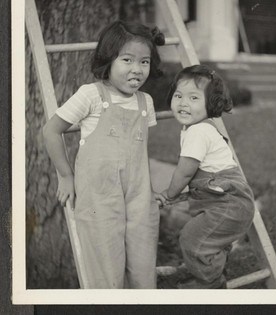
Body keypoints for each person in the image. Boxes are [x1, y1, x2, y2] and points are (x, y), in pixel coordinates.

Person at [43, 20, 165, 289]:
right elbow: (51, 130)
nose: (137, 69)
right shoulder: (91, 95)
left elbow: (140, 151)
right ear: (108, 59)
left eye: (144, 62)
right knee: (106, 271)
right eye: (127, 60)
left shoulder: (146, 102)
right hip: (99, 196)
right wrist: (65, 175)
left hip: (138, 198)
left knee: (143, 268)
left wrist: (149, 188)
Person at [157, 64, 255, 289]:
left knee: (193, 238)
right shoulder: (197, 128)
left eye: (193, 98)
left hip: (229, 204)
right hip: (226, 202)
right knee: (203, 240)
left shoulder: (198, 131)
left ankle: (210, 283)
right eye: (178, 95)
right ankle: (205, 270)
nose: (183, 102)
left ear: (210, 104)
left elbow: (186, 171)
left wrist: (169, 194)